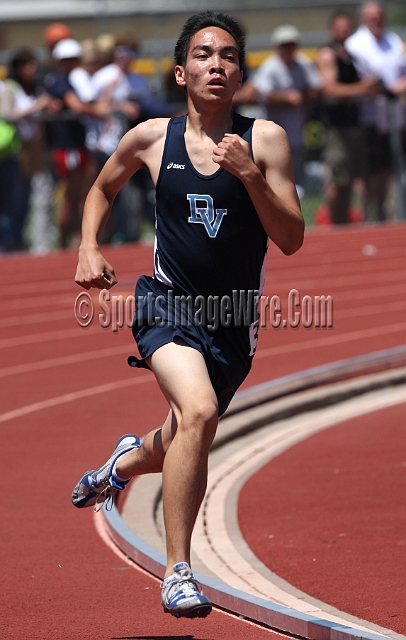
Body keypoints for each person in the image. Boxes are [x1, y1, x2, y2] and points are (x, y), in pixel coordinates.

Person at [71, 11, 304, 619]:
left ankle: (123, 459)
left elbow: (291, 238)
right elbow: (102, 188)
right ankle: (178, 571)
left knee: (181, 437)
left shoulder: (266, 141)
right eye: (203, 55)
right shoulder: (151, 137)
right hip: (165, 303)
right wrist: (89, 245)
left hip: (232, 321)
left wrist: (251, 177)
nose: (217, 65)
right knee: (198, 411)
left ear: (240, 74)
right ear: (181, 72)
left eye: (228, 56)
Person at [236, 25, 321, 195]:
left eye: (291, 44)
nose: (288, 49)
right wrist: (287, 98)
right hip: (274, 131)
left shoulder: (302, 63)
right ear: (277, 47)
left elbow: (317, 88)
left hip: (296, 131)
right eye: (284, 45)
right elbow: (263, 93)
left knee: (296, 177)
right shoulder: (270, 66)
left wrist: (300, 96)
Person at [345, 2, 406, 220]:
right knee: (367, 169)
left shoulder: (393, 40)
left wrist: (398, 85)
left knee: (386, 167)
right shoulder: (355, 44)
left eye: (379, 15)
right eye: (371, 16)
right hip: (367, 115)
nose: (376, 19)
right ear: (364, 18)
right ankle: (367, 213)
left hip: (393, 114)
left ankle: (382, 211)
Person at [316, 12, 379, 224]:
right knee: (338, 180)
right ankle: (336, 223)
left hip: (353, 125)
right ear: (332, 30)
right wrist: (363, 88)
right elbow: (330, 88)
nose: (345, 31)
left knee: (351, 179)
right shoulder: (328, 54)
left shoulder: (350, 55)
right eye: (340, 27)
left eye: (347, 27)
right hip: (336, 128)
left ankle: (344, 223)